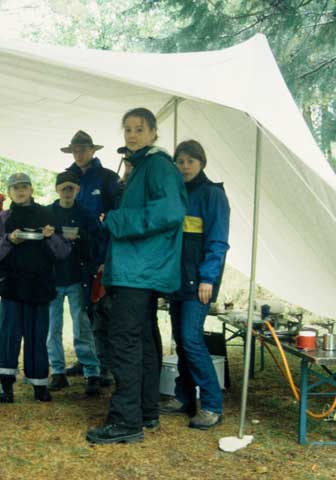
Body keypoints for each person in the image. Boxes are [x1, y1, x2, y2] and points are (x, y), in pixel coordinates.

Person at [85, 108, 187, 445]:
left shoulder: (157, 165)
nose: (131, 134)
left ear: (154, 132)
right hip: (139, 269)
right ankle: (145, 411)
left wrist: (117, 220)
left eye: (139, 129)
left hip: (139, 270)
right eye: (127, 129)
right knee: (142, 341)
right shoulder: (144, 165)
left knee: (124, 342)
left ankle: (125, 421)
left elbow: (171, 212)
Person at [163, 139, 230, 429]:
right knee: (181, 339)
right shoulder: (175, 194)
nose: (185, 166)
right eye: (180, 161)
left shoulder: (212, 194)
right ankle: (184, 396)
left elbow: (218, 241)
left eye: (191, 160)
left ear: (201, 163)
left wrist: (208, 278)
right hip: (176, 281)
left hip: (199, 282)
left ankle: (213, 404)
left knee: (191, 339)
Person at [0, 172, 71, 403]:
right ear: (9, 191)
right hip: (11, 286)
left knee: (37, 337)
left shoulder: (48, 215)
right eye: (16, 187)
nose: (21, 190)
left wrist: (50, 237)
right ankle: (6, 387)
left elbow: (64, 251)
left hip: (40, 286)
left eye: (25, 186)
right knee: (8, 336)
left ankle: (39, 386)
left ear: (32, 189)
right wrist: (8, 240)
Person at [60, 130, 120, 387]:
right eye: (75, 149)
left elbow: (116, 220)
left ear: (93, 151)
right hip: (73, 258)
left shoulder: (107, 179)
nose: (79, 153)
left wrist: (108, 257)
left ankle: (104, 365)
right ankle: (87, 360)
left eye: (83, 148)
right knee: (82, 310)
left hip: (100, 255)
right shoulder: (67, 178)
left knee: (102, 311)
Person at [46, 170, 103, 395]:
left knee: (82, 326)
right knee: (53, 327)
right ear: (57, 189)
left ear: (78, 190)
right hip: (53, 278)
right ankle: (58, 372)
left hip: (78, 278)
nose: (67, 192)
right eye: (64, 188)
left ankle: (92, 372)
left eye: (71, 188)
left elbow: (98, 243)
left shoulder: (86, 214)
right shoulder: (47, 212)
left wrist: (80, 237)